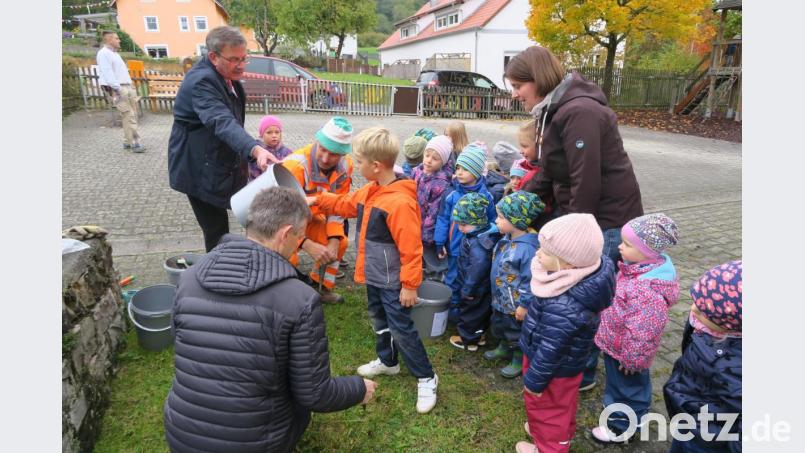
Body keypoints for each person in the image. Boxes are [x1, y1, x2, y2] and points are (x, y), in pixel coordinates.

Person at [163, 187, 376, 453]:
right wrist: (358, 388)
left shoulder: (188, 279)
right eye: (300, 237)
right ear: (286, 234)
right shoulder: (299, 299)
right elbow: (315, 394)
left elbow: (180, 340)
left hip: (182, 436)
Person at [505, 45, 644, 390]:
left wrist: (571, 237)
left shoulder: (579, 111)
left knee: (586, 296)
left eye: (517, 86)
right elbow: (550, 172)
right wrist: (516, 201)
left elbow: (586, 179)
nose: (514, 94)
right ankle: (568, 365)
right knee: (573, 294)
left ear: (535, 80)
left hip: (604, 220)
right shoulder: (552, 109)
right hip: (585, 216)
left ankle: (581, 373)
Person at [307, 126, 440, 414]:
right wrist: (316, 200)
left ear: (376, 166)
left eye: (361, 162)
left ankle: (427, 376)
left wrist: (410, 284)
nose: (358, 167)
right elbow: (344, 203)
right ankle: (388, 361)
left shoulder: (400, 202)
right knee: (378, 318)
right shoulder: (372, 189)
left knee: (402, 328)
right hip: (375, 276)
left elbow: (411, 248)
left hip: (395, 282)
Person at [168, 26, 279, 253]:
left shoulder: (228, 76)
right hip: (198, 168)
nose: (241, 65)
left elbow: (231, 121)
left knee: (246, 213)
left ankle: (244, 261)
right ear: (213, 56)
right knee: (216, 231)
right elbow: (221, 120)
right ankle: (216, 280)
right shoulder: (201, 82)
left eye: (244, 58)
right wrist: (255, 149)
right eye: (234, 59)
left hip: (221, 162)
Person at [518, 213, 616, 453]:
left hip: (552, 368)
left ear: (569, 263)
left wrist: (534, 381)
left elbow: (553, 349)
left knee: (547, 407)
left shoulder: (566, 305)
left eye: (545, 252)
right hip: (559, 362)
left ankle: (549, 446)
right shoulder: (575, 276)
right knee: (561, 405)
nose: (537, 254)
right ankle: (553, 432)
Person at [591, 214, 680, 444]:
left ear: (648, 251)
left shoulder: (646, 289)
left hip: (627, 354)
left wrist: (633, 359)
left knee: (626, 387)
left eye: (627, 244)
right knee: (624, 384)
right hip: (618, 344)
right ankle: (628, 410)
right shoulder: (635, 269)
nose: (620, 246)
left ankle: (621, 427)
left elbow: (644, 331)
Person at [664, 260, 742, 453]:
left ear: (731, 324)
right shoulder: (707, 328)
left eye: (704, 312)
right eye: (695, 301)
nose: (693, 310)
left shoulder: (736, 368)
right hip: (690, 416)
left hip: (708, 438)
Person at [282, 116, 354, 304]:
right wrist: (305, 243)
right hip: (284, 222)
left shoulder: (346, 166)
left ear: (343, 154)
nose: (325, 158)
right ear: (317, 141)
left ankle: (319, 287)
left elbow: (337, 207)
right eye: (322, 149)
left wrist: (333, 239)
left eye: (333, 154)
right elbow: (281, 214)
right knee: (287, 253)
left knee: (341, 243)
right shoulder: (295, 165)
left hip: (310, 218)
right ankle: (287, 293)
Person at [434, 144, 497, 324]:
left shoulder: (487, 197)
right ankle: (452, 311)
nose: (460, 172)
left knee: (471, 279)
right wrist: (439, 242)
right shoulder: (451, 193)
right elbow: (443, 219)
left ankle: (468, 311)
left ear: (477, 172)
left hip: (476, 250)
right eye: (458, 168)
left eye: (466, 169)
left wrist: (487, 242)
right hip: (454, 248)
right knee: (452, 278)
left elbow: (493, 222)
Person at [486, 191, 544, 378]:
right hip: (501, 300)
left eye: (501, 217)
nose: (496, 221)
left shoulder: (527, 249)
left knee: (516, 332)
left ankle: (518, 358)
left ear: (517, 221)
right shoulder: (507, 239)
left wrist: (525, 304)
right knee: (500, 326)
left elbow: (530, 280)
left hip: (515, 305)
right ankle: (503, 347)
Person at [448, 193, 501, 351]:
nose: (459, 228)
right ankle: (480, 335)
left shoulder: (480, 245)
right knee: (479, 312)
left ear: (477, 222)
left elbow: (477, 270)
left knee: (470, 313)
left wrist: (468, 289)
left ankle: (469, 340)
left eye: (463, 224)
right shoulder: (476, 234)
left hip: (475, 287)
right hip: (478, 286)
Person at [96, 30, 144, 152]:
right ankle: (135, 143)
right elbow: (107, 74)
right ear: (109, 40)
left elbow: (121, 73)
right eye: (117, 38)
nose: (119, 40)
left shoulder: (115, 54)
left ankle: (127, 142)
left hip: (126, 87)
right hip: (116, 89)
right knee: (129, 114)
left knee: (130, 115)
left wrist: (131, 86)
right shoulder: (103, 54)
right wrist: (118, 89)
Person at [412, 135, 453, 249]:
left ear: (443, 162)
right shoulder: (416, 171)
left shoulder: (440, 183)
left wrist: (426, 236)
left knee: (430, 259)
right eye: (427, 155)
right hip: (413, 222)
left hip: (426, 231)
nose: (429, 160)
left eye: (435, 159)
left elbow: (434, 212)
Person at [249, 115, 293, 181]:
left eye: (277, 132)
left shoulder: (288, 152)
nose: (274, 136)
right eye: (269, 132)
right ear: (261, 135)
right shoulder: (257, 153)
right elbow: (254, 178)